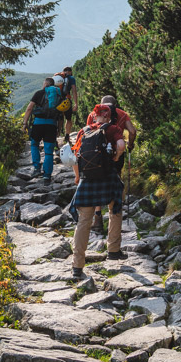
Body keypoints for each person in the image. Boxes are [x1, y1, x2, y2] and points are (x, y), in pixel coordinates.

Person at [70, 104, 127, 278]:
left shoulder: (84, 131)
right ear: (108, 117)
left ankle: (77, 266)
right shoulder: (113, 129)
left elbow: (75, 156)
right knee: (115, 209)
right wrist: (116, 157)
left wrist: (78, 177)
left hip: (87, 180)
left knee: (84, 220)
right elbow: (121, 145)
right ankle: (113, 250)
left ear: (94, 116)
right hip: (108, 177)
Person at [85, 95, 137, 233]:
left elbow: (87, 133)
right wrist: (130, 145)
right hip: (115, 154)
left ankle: (97, 218)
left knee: (97, 183)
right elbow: (132, 131)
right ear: (115, 104)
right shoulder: (122, 114)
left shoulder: (93, 114)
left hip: (96, 156)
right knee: (116, 180)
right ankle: (114, 216)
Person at [22, 76, 63, 186]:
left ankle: (36, 168)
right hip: (52, 124)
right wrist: (59, 129)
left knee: (34, 144)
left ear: (45, 84)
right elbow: (61, 115)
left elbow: (29, 108)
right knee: (49, 151)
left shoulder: (39, 93)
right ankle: (47, 176)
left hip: (38, 123)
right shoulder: (59, 95)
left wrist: (25, 123)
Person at [59, 66, 79, 144]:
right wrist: (76, 103)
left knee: (59, 118)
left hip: (57, 100)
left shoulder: (59, 77)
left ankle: (57, 134)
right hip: (67, 100)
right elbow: (74, 90)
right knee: (68, 119)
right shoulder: (71, 78)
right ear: (70, 72)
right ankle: (67, 135)